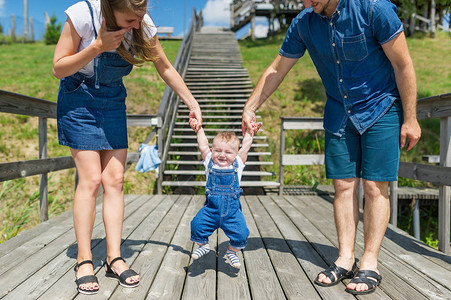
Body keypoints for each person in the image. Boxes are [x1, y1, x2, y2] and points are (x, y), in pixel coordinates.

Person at [241, 0, 421, 295]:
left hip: (381, 108)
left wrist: (411, 118)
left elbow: (403, 65)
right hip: (339, 112)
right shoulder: (304, 23)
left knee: (376, 187)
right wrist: (251, 107)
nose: (303, 1)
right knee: (343, 186)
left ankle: (370, 263)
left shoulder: (374, 10)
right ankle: (346, 258)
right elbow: (277, 68)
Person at [52, 0, 202, 295]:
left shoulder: (142, 24)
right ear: (111, 7)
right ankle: (83, 260)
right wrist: (97, 46)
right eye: (130, 19)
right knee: (92, 179)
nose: (137, 25)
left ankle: (113, 258)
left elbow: (166, 67)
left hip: (113, 104)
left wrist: (192, 102)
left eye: (140, 17)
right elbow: (58, 67)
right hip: (79, 100)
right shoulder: (83, 14)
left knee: (116, 180)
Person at [188, 121, 261, 268]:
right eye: (218, 150)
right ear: (212, 150)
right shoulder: (209, 162)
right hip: (211, 210)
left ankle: (232, 252)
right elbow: (203, 146)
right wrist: (199, 129)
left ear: (235, 154)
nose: (222, 155)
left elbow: (245, 147)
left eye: (228, 152)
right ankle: (203, 245)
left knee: (242, 234)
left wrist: (250, 133)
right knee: (196, 225)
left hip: (232, 213)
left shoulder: (238, 164)